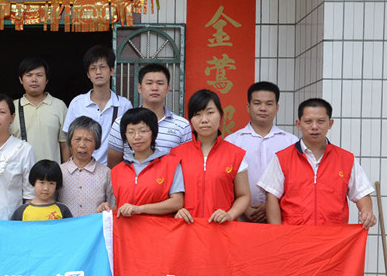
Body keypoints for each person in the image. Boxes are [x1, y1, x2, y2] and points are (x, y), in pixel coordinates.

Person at [258, 98, 376, 228]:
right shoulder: (282, 158)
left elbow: (362, 194)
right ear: (298, 124)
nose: (314, 127)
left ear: (330, 123)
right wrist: (277, 232)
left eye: (321, 121)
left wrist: (367, 211)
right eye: (308, 121)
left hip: (333, 235)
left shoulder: (346, 159)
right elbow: (272, 197)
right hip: (293, 235)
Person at [172, 89, 250, 224]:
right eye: (197, 114)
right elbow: (168, 196)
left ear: (220, 115)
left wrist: (230, 215)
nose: (204, 120)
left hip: (221, 228)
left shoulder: (235, 154)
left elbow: (244, 195)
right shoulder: (176, 154)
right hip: (186, 228)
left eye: (210, 113)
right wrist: (176, 212)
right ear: (190, 120)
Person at [225, 81, 298, 222]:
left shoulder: (291, 142)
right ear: (248, 107)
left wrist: (270, 205)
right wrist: (243, 207)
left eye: (269, 104)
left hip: (280, 217)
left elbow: (296, 182)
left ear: (277, 108)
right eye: (257, 103)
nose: (263, 108)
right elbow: (225, 181)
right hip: (240, 217)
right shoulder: (232, 141)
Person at [101, 108, 184, 217]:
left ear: (153, 133)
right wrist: (106, 209)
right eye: (131, 132)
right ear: (125, 135)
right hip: (126, 228)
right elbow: (120, 207)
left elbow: (177, 202)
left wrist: (141, 209)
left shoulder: (171, 164)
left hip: (158, 227)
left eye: (143, 131)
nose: (137, 137)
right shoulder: (117, 170)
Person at [107, 63, 192, 168]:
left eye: (160, 83)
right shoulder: (121, 123)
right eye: (149, 83)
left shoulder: (182, 125)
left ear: (168, 88)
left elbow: (186, 163)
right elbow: (114, 165)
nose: (154, 88)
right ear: (139, 88)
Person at [63, 45, 132, 165]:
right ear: (88, 74)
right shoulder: (77, 103)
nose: (98, 72)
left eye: (102, 67)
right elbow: (68, 139)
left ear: (111, 71)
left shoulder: (124, 105)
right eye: (93, 68)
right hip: (82, 169)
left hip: (112, 170)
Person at [11, 57, 70, 163]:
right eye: (29, 75)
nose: (34, 79)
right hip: (21, 172)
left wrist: (66, 170)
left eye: (39, 75)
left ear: (46, 80)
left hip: (51, 172)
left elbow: (65, 144)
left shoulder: (59, 106)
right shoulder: (12, 107)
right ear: (21, 79)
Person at [58, 116, 115, 216]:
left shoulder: (106, 173)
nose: (82, 145)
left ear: (96, 143)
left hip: (94, 226)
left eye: (88, 140)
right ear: (70, 141)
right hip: (65, 225)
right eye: (77, 139)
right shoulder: (59, 171)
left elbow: (112, 206)